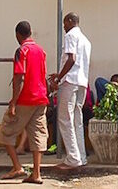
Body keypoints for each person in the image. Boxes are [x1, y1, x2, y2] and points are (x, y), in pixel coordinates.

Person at [0, 20, 49, 184]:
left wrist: (13, 102)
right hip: (41, 98)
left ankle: (17, 167)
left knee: (6, 132)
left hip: (25, 98)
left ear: (18, 34)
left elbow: (19, 76)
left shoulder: (22, 51)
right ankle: (36, 173)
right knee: (38, 135)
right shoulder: (41, 50)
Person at [48, 12, 92, 172]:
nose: (64, 27)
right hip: (81, 83)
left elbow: (71, 59)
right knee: (76, 121)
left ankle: (73, 158)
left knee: (65, 119)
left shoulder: (70, 36)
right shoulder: (86, 40)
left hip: (70, 82)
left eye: (64, 23)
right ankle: (81, 157)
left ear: (70, 21)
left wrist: (59, 78)